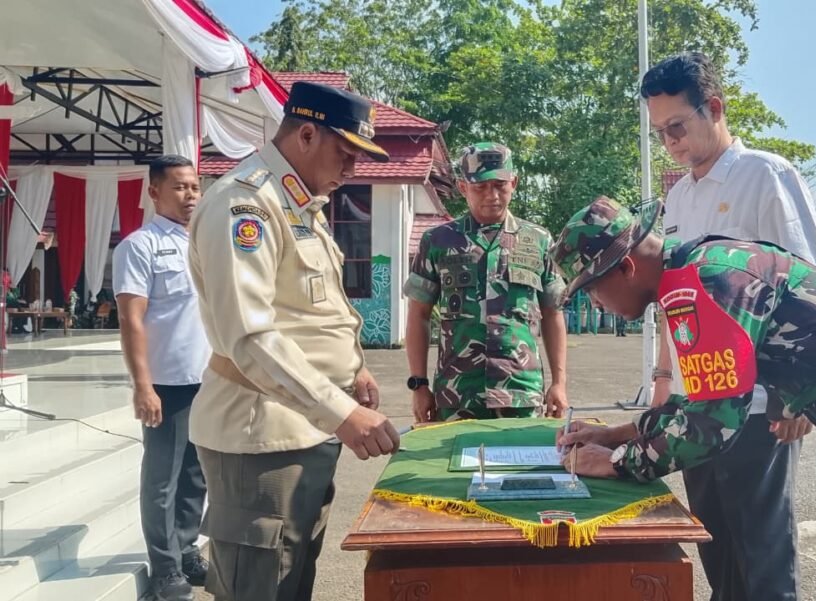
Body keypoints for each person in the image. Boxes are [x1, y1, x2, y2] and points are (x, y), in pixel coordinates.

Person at [551, 196, 816, 601]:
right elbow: (711, 398)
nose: (595, 302)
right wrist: (621, 433)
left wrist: (619, 461)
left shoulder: (708, 280)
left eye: (591, 288)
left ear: (626, 267)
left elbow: (710, 426)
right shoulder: (700, 269)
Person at [187, 82, 400, 601]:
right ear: (306, 134)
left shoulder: (301, 203)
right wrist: (343, 412)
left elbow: (309, 309)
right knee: (260, 588)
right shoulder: (246, 205)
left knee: (291, 583)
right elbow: (252, 338)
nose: (352, 169)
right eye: (345, 153)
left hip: (306, 430)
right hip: (261, 439)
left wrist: (353, 370)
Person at [642, 51, 816, 601]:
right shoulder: (677, 196)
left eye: (677, 125)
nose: (670, 141)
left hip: (760, 404)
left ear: (715, 108)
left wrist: (799, 396)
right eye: (660, 133)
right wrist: (661, 378)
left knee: (762, 554)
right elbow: (672, 296)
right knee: (716, 547)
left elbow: (813, 285)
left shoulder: (765, 176)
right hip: (696, 402)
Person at [404, 142, 568, 422]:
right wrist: (419, 384)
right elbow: (418, 314)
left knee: (521, 464)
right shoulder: (438, 241)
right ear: (462, 187)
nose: (492, 195)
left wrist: (559, 383)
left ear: (513, 183)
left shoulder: (538, 240)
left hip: (521, 391)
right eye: (480, 187)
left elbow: (553, 313)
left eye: (500, 185)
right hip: (458, 392)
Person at [113, 154, 210, 601]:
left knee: (197, 476)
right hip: (167, 384)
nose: (190, 195)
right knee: (162, 481)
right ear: (154, 191)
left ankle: (187, 550)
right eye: (179, 187)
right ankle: (165, 568)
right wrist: (142, 385)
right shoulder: (139, 246)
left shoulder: (206, 242)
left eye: (194, 186)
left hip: (208, 380)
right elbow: (132, 321)